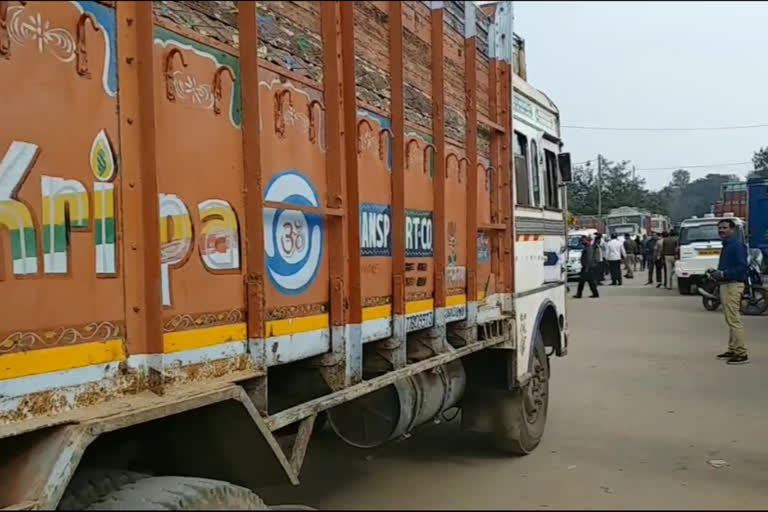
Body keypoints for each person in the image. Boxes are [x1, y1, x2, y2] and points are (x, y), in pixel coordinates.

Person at [712, 219, 749, 365]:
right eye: (720, 228)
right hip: (726, 284)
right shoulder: (727, 245)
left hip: (733, 285)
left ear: (732, 230)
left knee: (733, 320)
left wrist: (724, 274)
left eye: (725, 228)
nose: (721, 230)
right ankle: (733, 348)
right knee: (730, 318)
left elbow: (742, 267)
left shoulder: (736, 246)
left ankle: (741, 353)